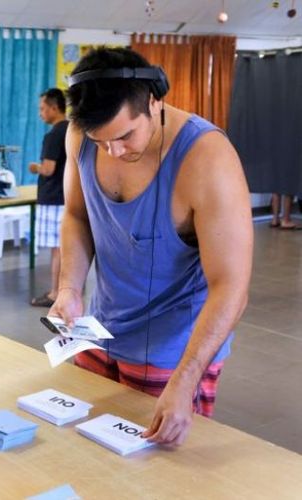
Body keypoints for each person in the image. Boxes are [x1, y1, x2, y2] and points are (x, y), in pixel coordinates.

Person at [51, 47, 253, 447]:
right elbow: (76, 215)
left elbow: (231, 287)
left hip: (173, 350)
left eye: (126, 135)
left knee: (153, 473)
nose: (115, 151)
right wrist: (70, 289)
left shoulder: (206, 158)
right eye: (101, 141)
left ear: (155, 100)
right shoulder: (81, 135)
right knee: (84, 451)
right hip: (100, 329)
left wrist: (186, 379)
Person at [29, 88, 69, 308]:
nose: (40, 113)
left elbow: (48, 169)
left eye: (43, 109)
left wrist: (35, 167)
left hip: (54, 198)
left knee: (58, 249)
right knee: (68, 248)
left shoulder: (54, 134)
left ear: (55, 108)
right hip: (69, 197)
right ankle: (67, 290)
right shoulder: (74, 130)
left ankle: (56, 293)